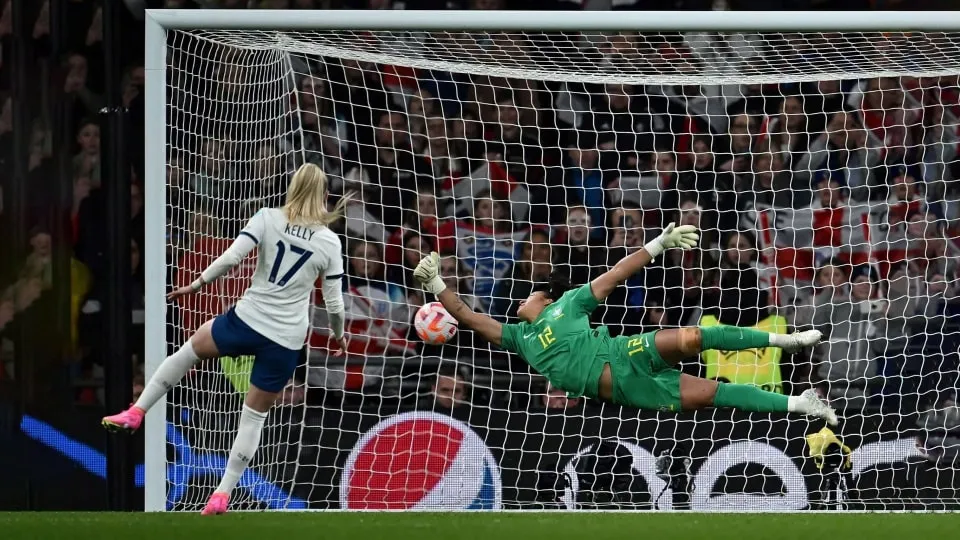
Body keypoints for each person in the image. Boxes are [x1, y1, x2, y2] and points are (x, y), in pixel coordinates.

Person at [101, 163, 350, 515]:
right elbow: (335, 302)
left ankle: (137, 411)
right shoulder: (329, 241)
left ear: (291, 189)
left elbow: (232, 258)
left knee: (188, 352)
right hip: (285, 338)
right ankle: (221, 494)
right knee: (253, 418)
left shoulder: (268, 217)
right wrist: (339, 336)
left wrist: (196, 284)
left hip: (247, 320)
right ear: (325, 197)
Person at [412, 223, 837, 424]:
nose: (522, 298)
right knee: (714, 393)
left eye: (530, 293)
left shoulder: (570, 305)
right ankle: (801, 403)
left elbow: (616, 274)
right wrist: (436, 283)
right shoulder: (518, 338)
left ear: (547, 298)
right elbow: (466, 316)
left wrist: (657, 244)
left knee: (695, 335)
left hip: (622, 351)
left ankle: (788, 339)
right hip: (625, 386)